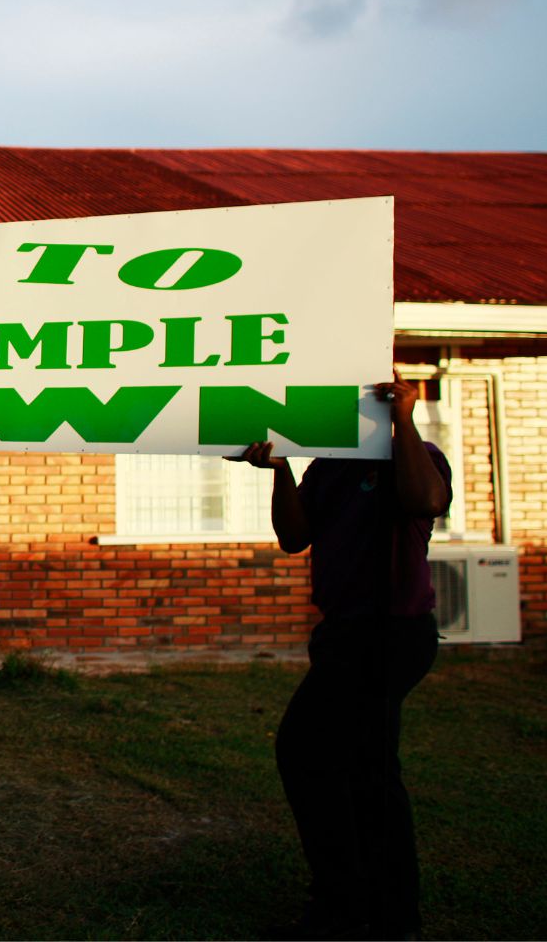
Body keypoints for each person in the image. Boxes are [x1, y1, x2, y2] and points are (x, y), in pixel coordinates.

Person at [229, 370, 451, 940]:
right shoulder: (328, 463)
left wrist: (405, 420)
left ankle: (345, 905)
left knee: (308, 755)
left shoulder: (418, 453)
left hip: (391, 635)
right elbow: (295, 536)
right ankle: (386, 913)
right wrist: (280, 472)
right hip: (344, 635)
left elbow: (426, 500)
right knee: (368, 772)